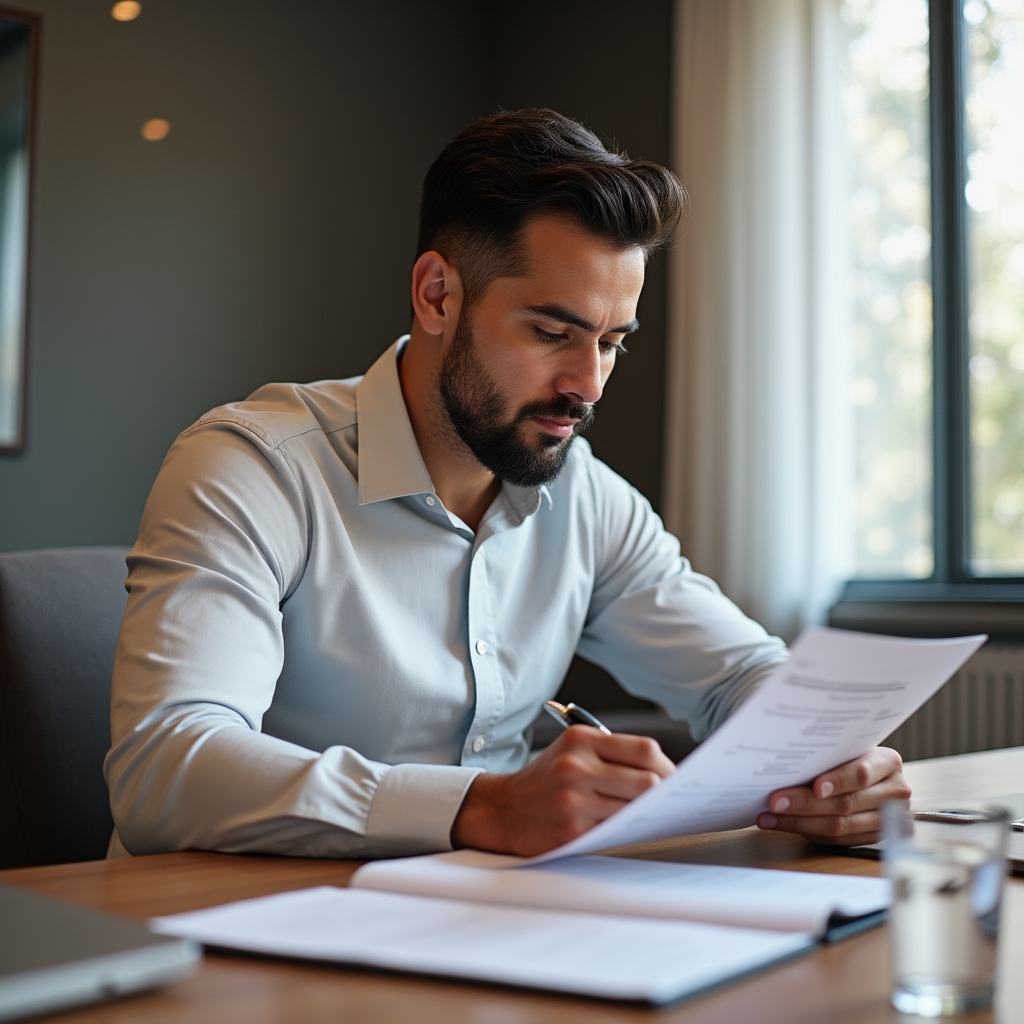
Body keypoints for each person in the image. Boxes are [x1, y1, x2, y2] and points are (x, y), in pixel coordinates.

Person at [105, 109, 909, 860]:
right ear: (438, 295)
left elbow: (739, 677)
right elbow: (167, 765)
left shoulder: (587, 499)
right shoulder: (253, 469)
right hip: (237, 937)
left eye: (612, 343)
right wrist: (481, 808)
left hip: (494, 930)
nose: (587, 385)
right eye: (552, 333)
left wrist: (836, 762)